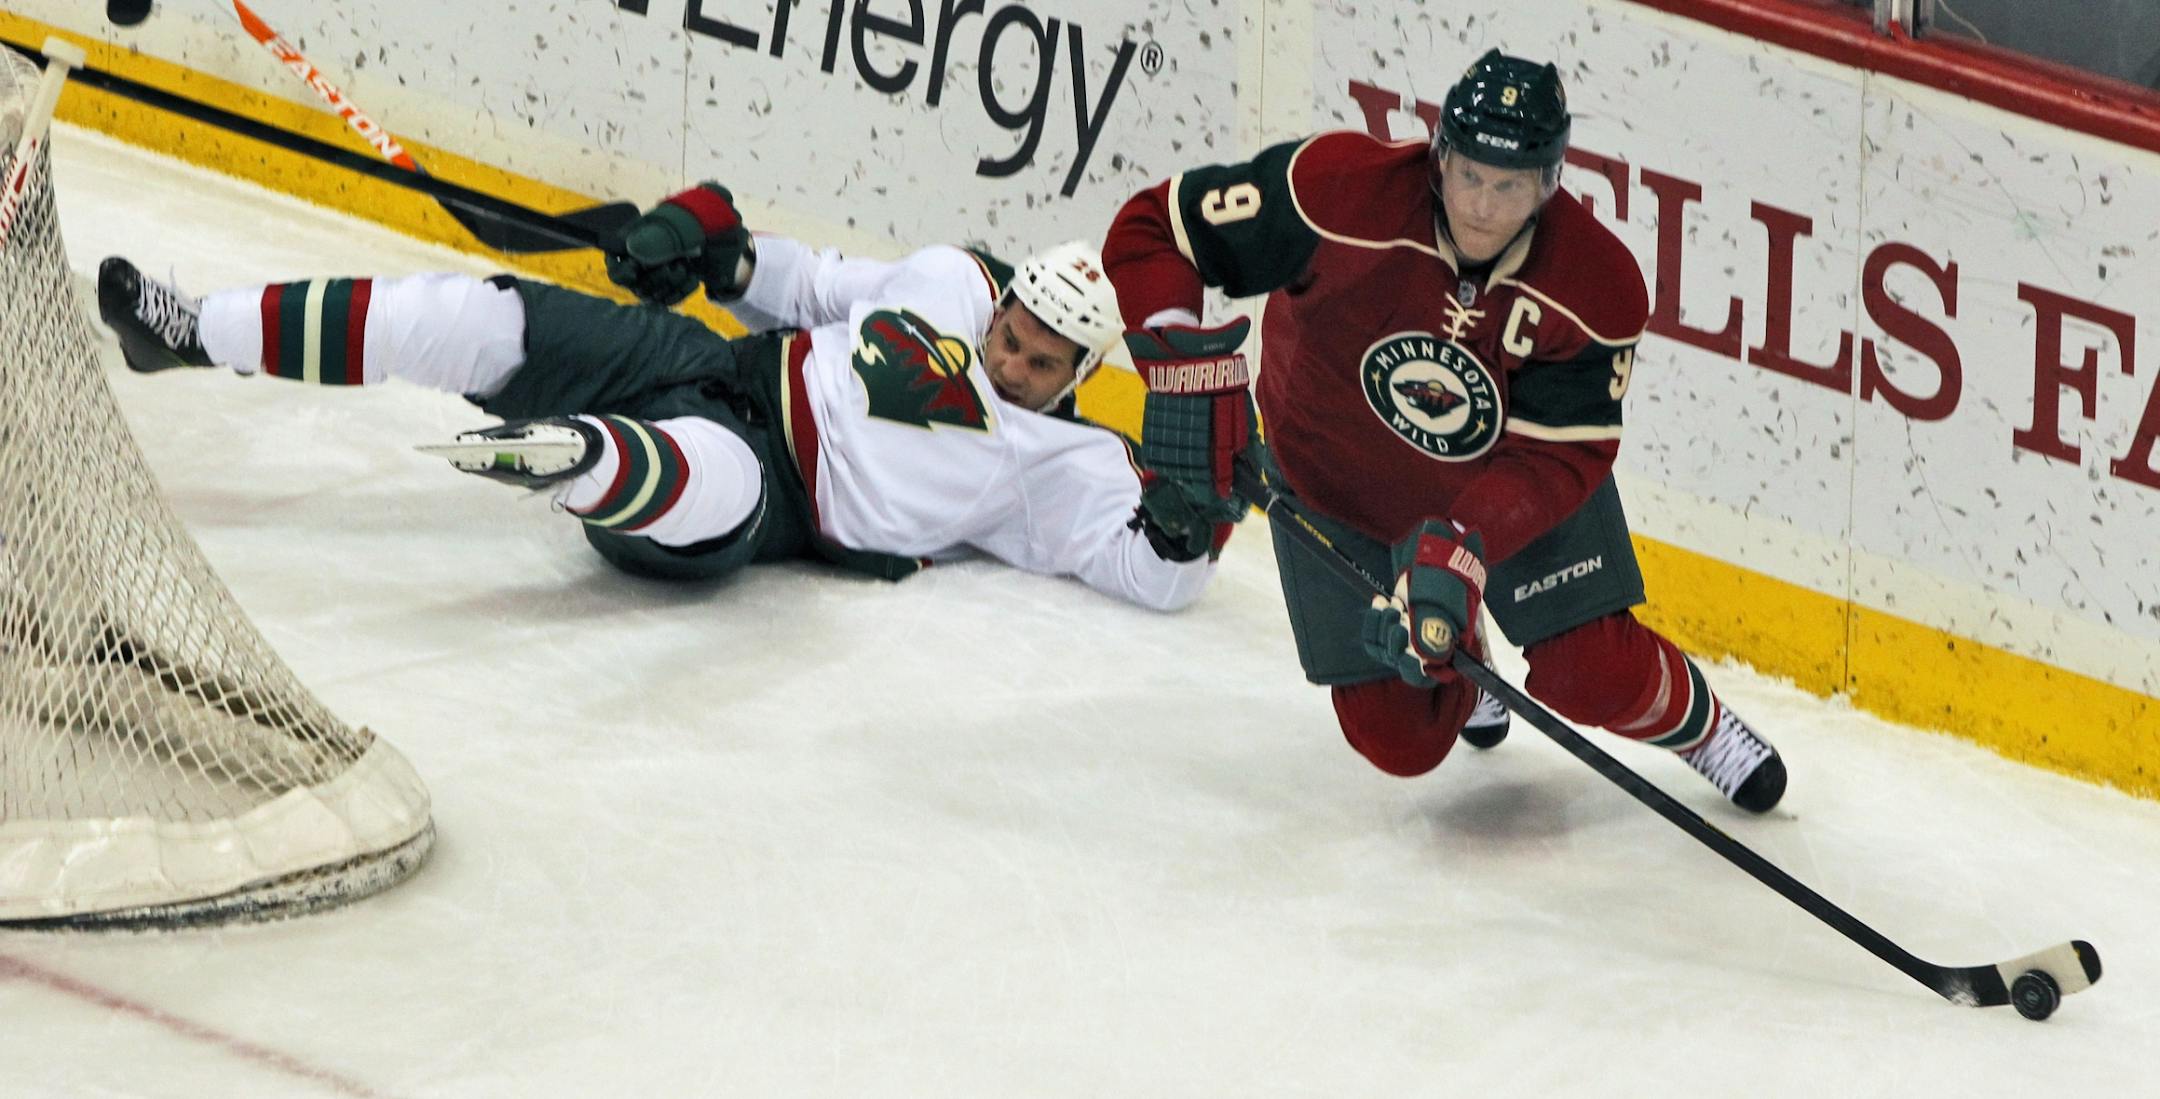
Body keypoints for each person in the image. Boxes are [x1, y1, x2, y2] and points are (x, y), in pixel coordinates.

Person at [1100, 49, 1787, 810]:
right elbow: (1156, 228)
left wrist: (1465, 537)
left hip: (1499, 484)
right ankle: (1461, 657)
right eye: (1469, 176)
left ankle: (1703, 729)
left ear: (1549, 184)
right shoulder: (1336, 192)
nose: (1483, 207)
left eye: (1509, 185)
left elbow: (1561, 456)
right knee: (1398, 737)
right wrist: (1178, 364)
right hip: (1336, 478)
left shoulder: (1598, 287)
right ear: (1441, 157)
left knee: (1589, 671)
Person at [95, 182, 1245, 611]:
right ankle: (191, 333)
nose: (1011, 357)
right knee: (476, 315)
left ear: (1085, 375)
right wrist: (708, 249)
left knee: (709, 480)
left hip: (785, 502)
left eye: (1042, 358)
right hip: (712, 364)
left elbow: (1151, 571)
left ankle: (577, 459)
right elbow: (802, 285)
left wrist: (1195, 523)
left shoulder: (1071, 467)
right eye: (1011, 329)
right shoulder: (948, 280)